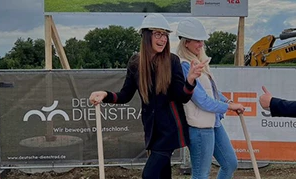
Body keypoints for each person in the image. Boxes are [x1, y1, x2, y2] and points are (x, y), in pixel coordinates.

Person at [89, 13, 206, 179]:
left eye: (165, 34)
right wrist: (105, 95)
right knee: (163, 175)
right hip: (152, 130)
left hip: (171, 129)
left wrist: (191, 80)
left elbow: (182, 97)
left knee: (149, 175)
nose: (163, 39)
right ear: (146, 36)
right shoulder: (135, 63)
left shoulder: (172, 61)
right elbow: (125, 95)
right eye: (158, 34)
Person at [176, 17, 245, 179]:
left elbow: (212, 92)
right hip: (199, 127)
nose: (201, 44)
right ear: (186, 43)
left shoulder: (199, 62)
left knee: (230, 163)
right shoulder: (185, 65)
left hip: (212, 123)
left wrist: (228, 101)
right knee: (201, 174)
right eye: (197, 41)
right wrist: (229, 107)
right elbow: (201, 100)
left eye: (202, 41)